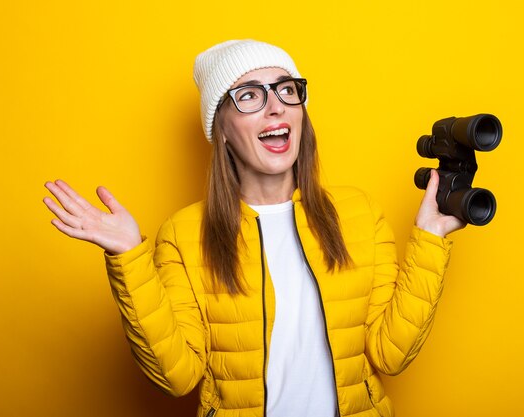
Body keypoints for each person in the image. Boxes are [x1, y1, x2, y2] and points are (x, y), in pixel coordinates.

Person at [43, 39, 465, 417]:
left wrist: (430, 237)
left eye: (286, 90)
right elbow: (178, 377)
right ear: (221, 129)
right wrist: (127, 259)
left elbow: (390, 355)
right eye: (249, 96)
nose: (276, 106)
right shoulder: (183, 235)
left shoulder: (358, 213)